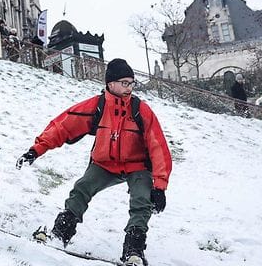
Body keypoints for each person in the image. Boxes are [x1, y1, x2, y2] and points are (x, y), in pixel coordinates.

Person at [17, 58, 172, 265]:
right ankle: (60, 233)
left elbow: (158, 146)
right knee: (81, 188)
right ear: (111, 84)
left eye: (131, 83)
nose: (129, 87)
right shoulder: (97, 106)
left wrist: (160, 187)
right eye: (124, 83)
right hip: (104, 164)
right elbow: (63, 126)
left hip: (137, 166)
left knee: (142, 200)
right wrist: (36, 150)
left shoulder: (140, 110)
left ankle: (133, 250)